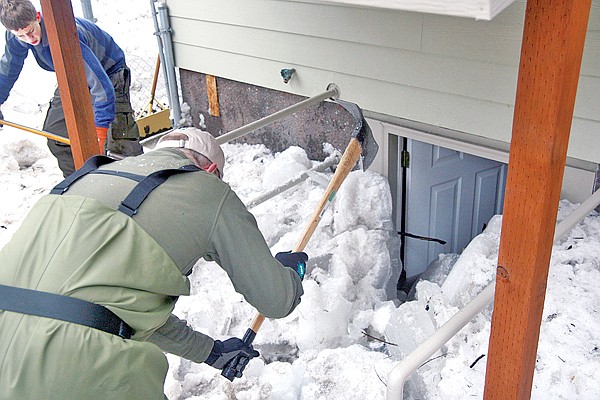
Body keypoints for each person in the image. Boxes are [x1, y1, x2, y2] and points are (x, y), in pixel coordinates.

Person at [0, 127, 306, 399]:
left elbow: (105, 310)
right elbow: (275, 300)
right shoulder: (207, 188)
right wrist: (290, 273)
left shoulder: (86, 178)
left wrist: (210, 352)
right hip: (82, 368)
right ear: (210, 169)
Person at [0, 0, 143, 177]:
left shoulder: (66, 35)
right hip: (70, 74)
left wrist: (100, 132)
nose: (29, 39)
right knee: (57, 135)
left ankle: (137, 182)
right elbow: (8, 71)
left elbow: (102, 88)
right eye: (21, 36)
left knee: (119, 142)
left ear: (37, 17)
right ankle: (80, 181)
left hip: (108, 72)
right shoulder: (17, 38)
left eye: (30, 31)